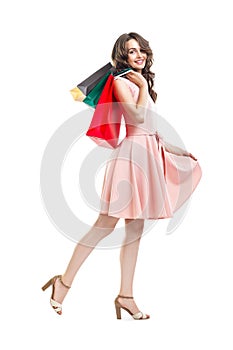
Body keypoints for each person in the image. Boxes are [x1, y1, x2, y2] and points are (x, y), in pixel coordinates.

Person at [42, 32, 202, 320]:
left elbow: (152, 129)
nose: (139, 55)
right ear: (122, 57)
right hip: (130, 160)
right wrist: (141, 85)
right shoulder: (120, 82)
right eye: (131, 52)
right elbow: (137, 118)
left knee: (134, 232)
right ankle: (62, 284)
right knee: (104, 226)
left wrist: (180, 151)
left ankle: (125, 295)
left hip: (148, 154)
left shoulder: (138, 84)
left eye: (141, 49)